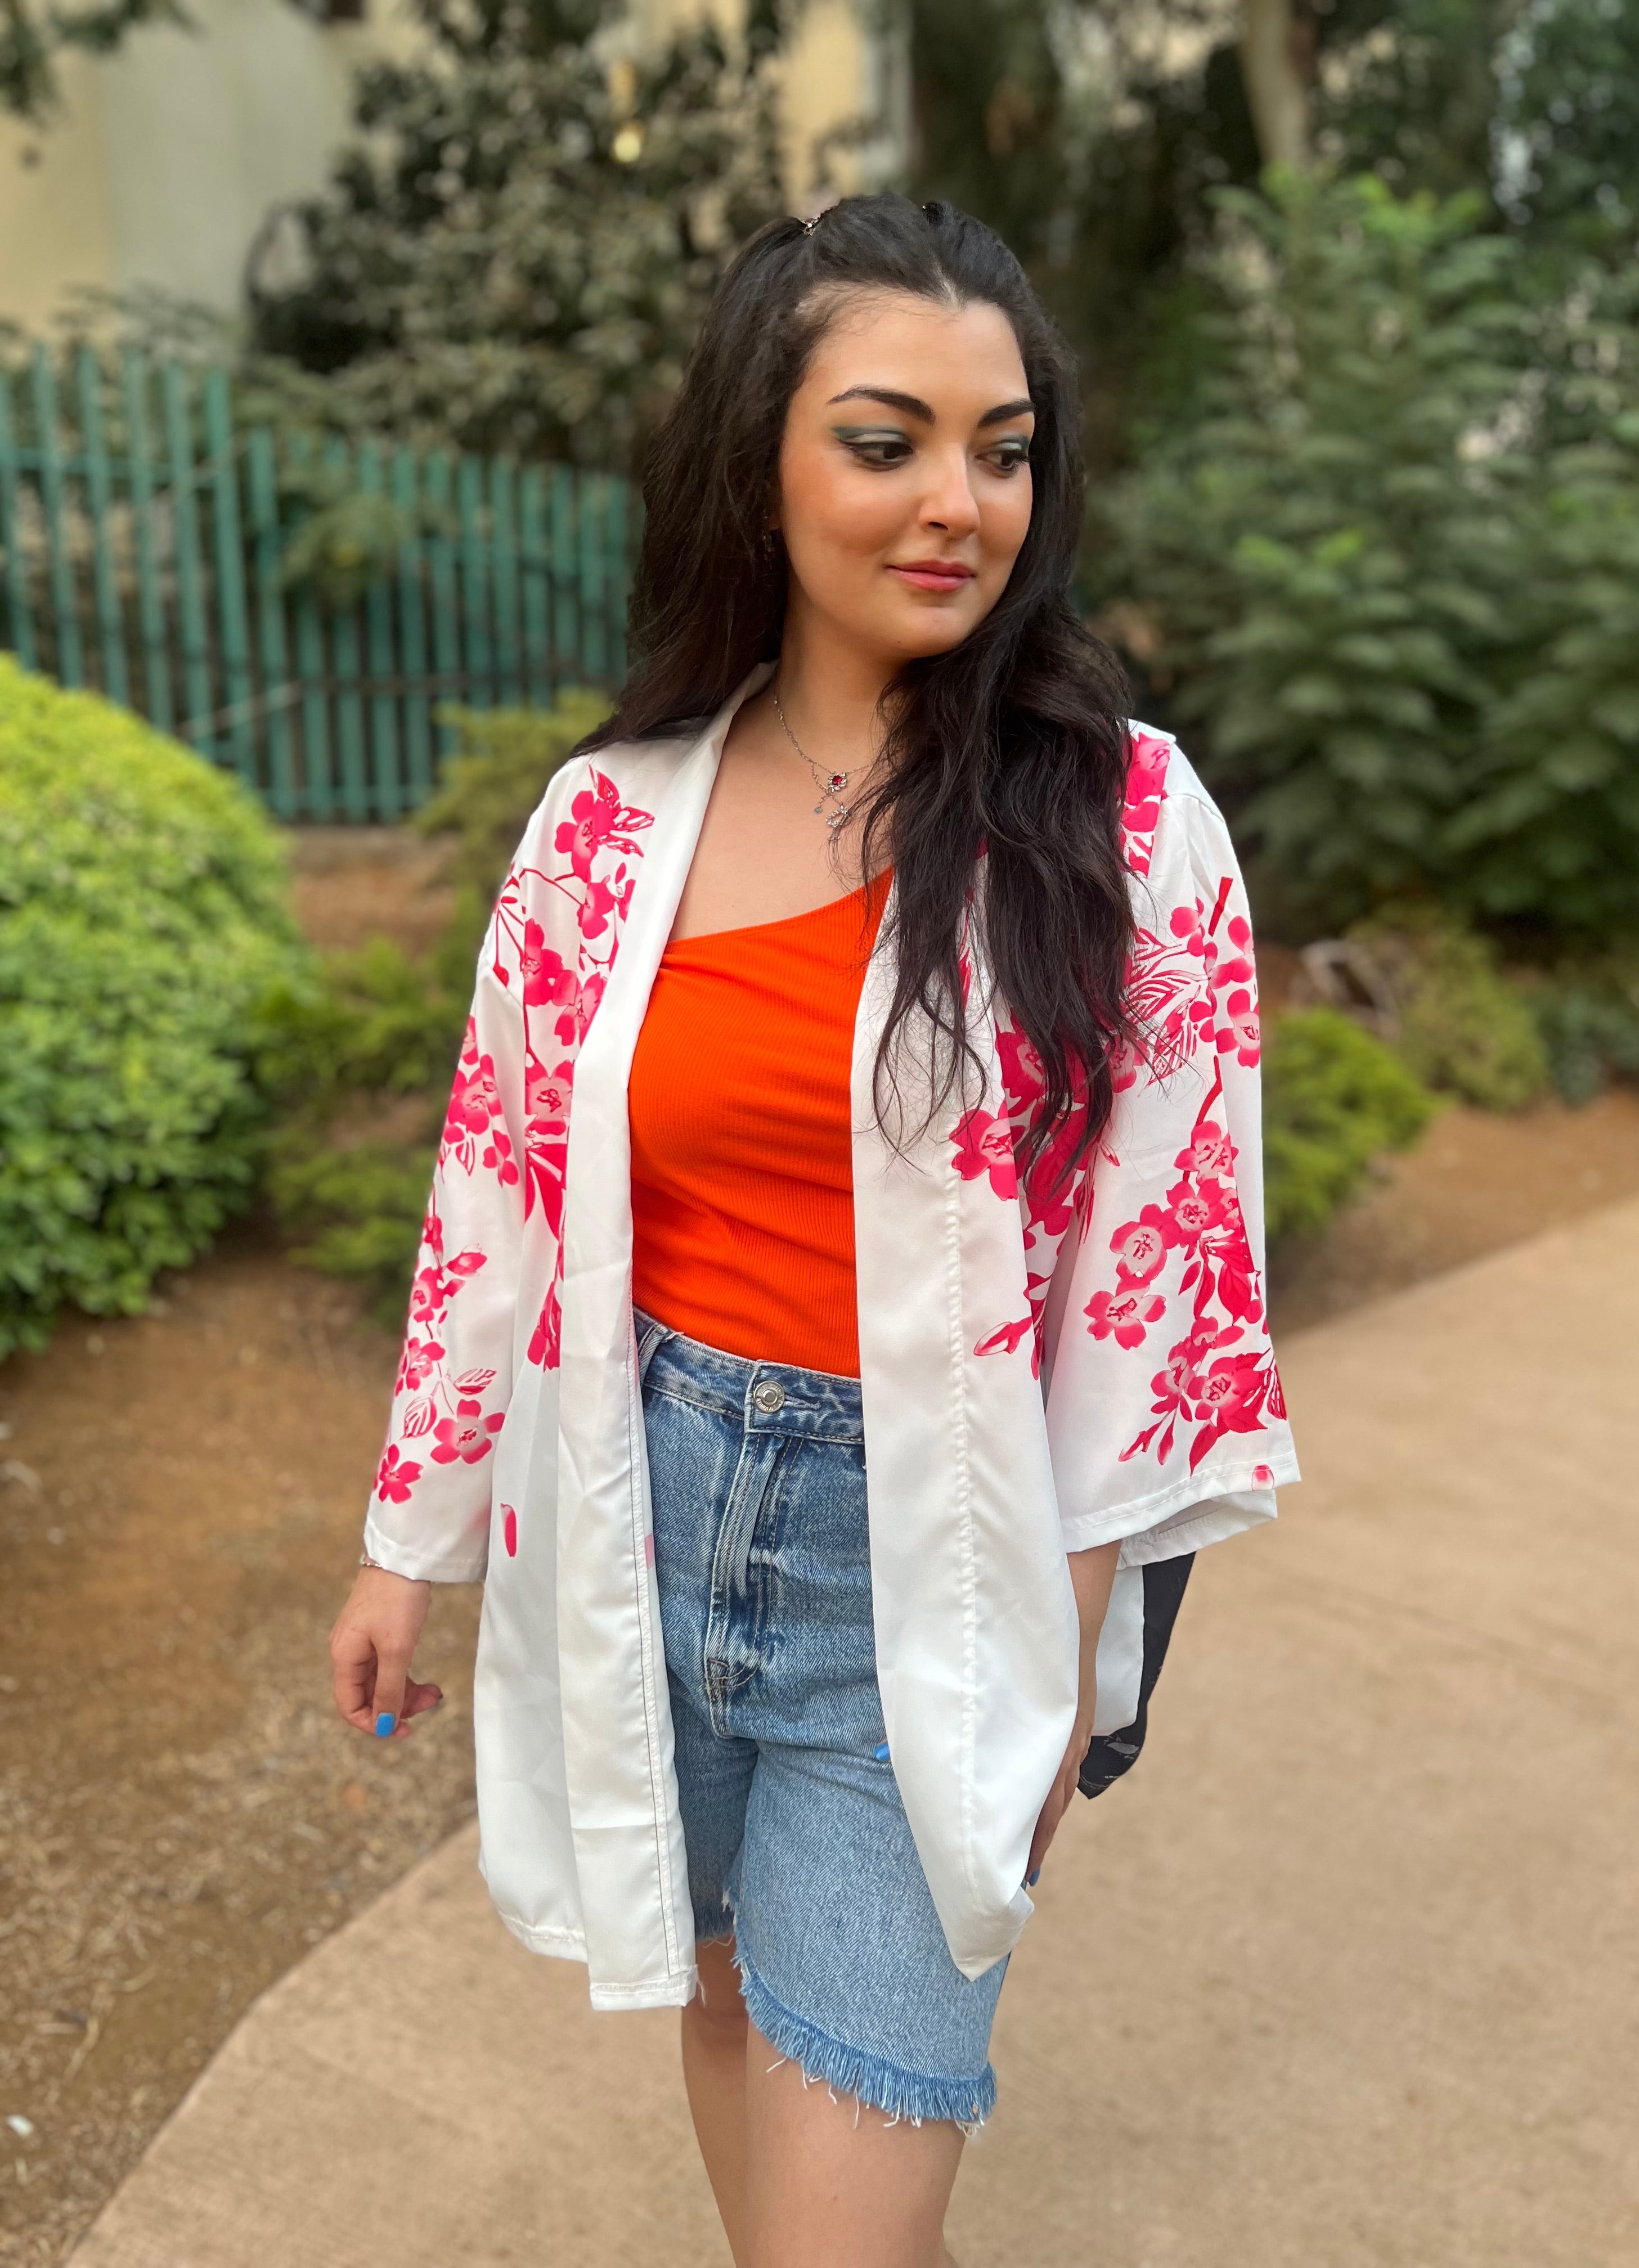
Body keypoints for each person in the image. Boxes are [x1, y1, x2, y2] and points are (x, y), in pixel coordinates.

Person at [329, 194, 1298, 2267]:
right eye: (888, 439)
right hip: (643, 1515)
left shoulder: (1127, 826)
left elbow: (1164, 1287)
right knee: (731, 2031)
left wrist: (1054, 1654)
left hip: (922, 1569)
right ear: (756, 459)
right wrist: (404, 1547)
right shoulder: (606, 822)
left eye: (1006, 446)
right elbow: (495, 1190)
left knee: (841, 2211)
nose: (962, 501)